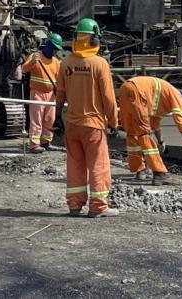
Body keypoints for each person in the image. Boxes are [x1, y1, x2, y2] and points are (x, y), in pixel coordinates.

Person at [55, 18, 118, 218]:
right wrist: (114, 121)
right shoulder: (100, 64)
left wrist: (57, 116)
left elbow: (60, 94)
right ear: (94, 40)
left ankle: (74, 204)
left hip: (72, 123)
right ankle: (98, 206)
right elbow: (108, 97)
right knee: (98, 163)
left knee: (75, 164)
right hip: (93, 125)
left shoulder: (66, 63)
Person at [118, 77, 182, 183]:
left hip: (125, 88)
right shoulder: (177, 96)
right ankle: (159, 173)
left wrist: (161, 141)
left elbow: (154, 123)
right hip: (137, 91)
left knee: (132, 132)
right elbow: (180, 121)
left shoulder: (164, 95)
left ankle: (140, 170)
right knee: (144, 133)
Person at [21, 32, 63, 153]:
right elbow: (24, 69)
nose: (55, 51)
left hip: (50, 94)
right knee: (37, 119)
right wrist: (32, 62)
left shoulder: (56, 62)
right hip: (37, 93)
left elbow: (59, 79)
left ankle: (46, 142)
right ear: (49, 45)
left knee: (49, 119)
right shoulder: (36, 57)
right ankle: (34, 145)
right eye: (55, 48)